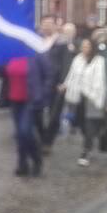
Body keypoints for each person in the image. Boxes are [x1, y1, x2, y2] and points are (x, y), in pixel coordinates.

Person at [62, 39, 107, 167]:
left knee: (90, 124)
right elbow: (71, 75)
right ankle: (90, 140)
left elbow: (104, 81)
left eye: (87, 46)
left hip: (93, 97)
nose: (85, 48)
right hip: (79, 97)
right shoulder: (77, 59)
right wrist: (65, 85)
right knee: (82, 125)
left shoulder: (99, 61)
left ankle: (85, 150)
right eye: (83, 46)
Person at [1, 54, 45, 178]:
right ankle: (22, 163)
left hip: (29, 100)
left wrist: (42, 94)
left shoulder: (34, 56)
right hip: (14, 100)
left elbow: (47, 74)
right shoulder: (10, 56)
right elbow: (3, 73)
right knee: (20, 134)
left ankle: (36, 159)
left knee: (25, 131)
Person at [34, 16, 62, 147]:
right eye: (44, 23)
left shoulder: (61, 42)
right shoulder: (35, 41)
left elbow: (66, 63)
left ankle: (48, 141)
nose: (47, 26)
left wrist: (62, 82)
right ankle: (42, 135)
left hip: (56, 84)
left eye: (50, 23)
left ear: (55, 26)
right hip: (38, 83)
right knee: (37, 113)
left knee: (53, 114)